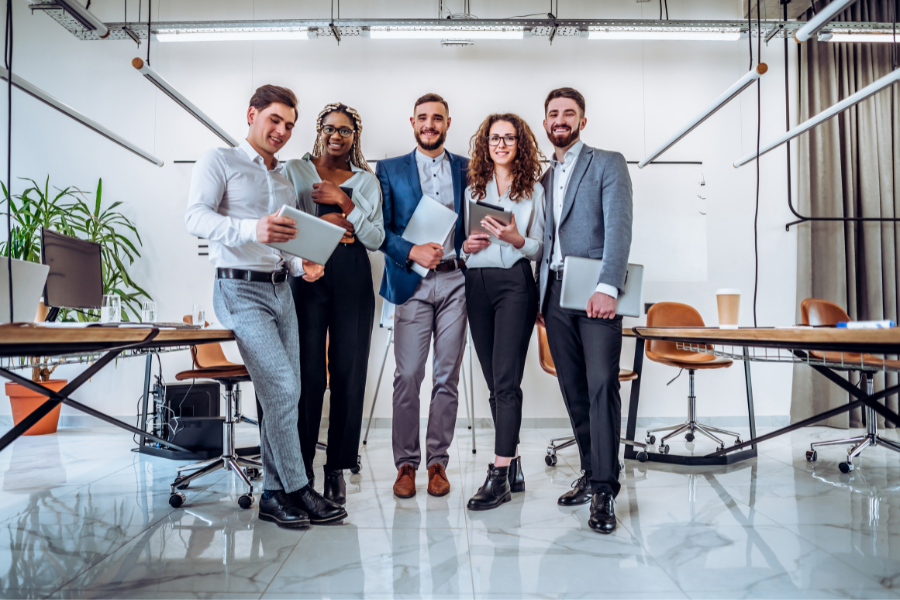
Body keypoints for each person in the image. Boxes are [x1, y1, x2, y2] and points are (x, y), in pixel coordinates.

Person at [185, 85, 347, 529]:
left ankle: (275, 494)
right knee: (282, 387)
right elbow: (195, 217)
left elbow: (285, 244)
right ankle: (296, 488)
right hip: (238, 289)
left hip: (280, 290)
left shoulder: (281, 180)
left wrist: (302, 265)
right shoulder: (219, 160)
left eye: (290, 126)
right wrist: (250, 227)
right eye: (275, 120)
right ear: (252, 114)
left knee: (287, 390)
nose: (281, 131)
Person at [536, 87, 633, 534]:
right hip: (554, 295)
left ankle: (605, 491)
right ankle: (592, 474)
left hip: (595, 294)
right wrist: (539, 300)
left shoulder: (607, 162)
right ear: (545, 122)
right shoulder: (541, 177)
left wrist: (608, 286)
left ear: (582, 121)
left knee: (600, 388)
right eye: (553, 113)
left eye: (568, 113)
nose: (560, 120)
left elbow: (618, 226)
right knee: (574, 391)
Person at [283, 103, 384, 505]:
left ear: (355, 136)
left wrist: (345, 203)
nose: (337, 135)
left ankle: (338, 467)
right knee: (308, 374)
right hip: (307, 270)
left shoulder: (365, 181)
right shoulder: (296, 169)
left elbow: (374, 238)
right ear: (319, 131)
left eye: (345, 130)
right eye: (330, 128)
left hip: (351, 271)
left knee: (349, 370)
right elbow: (286, 220)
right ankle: (301, 467)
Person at [377, 93, 469, 499]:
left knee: (447, 376)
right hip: (411, 280)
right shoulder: (389, 168)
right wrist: (411, 251)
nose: (430, 124)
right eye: (423, 118)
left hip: (456, 281)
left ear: (448, 123)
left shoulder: (469, 167)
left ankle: (437, 462)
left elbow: (478, 216)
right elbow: (379, 230)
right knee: (409, 375)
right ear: (411, 122)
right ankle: (406, 464)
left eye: (437, 118)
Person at [460, 113, 545, 511]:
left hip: (515, 284)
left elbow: (540, 247)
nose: (501, 144)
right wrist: (467, 248)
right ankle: (512, 463)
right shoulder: (473, 188)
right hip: (477, 285)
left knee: (507, 380)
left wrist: (517, 238)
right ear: (486, 144)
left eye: (509, 138)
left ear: (520, 144)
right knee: (495, 381)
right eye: (494, 138)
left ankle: (498, 477)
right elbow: (464, 242)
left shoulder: (534, 190)